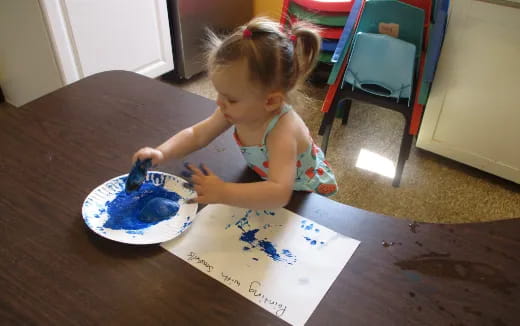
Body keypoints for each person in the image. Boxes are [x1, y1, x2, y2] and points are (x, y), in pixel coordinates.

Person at [133, 17, 337, 209]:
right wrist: (161, 153)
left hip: (302, 193)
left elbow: (279, 193)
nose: (219, 103)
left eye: (231, 98)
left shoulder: (282, 131)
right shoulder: (234, 110)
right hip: (263, 178)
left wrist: (224, 192)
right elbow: (197, 135)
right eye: (219, 93)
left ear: (271, 101)